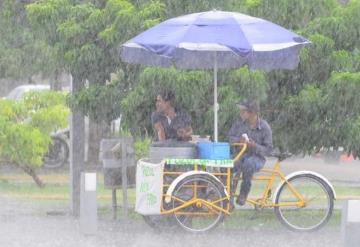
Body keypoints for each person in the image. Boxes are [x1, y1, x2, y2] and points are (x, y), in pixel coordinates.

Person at [227, 99, 273, 205]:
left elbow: (268, 149)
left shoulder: (264, 127)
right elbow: (229, 138)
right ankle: (227, 198)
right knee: (227, 167)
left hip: (257, 158)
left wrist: (254, 146)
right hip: (240, 155)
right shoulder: (239, 124)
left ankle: (244, 193)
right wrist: (239, 140)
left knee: (249, 164)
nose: (241, 113)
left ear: (252, 113)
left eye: (243, 111)